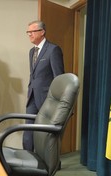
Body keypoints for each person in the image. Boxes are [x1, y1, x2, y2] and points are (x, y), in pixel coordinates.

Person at [23, 20, 65, 151]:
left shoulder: (53, 50)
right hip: (32, 97)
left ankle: (51, 162)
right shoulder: (31, 51)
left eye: (32, 31)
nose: (29, 34)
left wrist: (58, 101)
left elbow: (59, 77)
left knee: (47, 132)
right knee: (28, 129)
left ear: (42, 32)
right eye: (28, 32)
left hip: (48, 98)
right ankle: (27, 157)